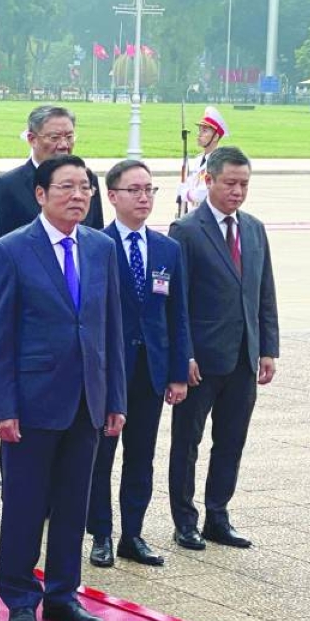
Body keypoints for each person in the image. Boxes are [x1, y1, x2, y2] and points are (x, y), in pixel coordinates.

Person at [0, 154, 126, 621]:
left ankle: (64, 595)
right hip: (32, 401)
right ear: (41, 195)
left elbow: (110, 326)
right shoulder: (10, 250)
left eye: (84, 188)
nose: (78, 196)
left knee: (73, 504)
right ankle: (21, 596)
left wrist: (115, 399)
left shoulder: (100, 248)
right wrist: (3, 406)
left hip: (87, 398)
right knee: (25, 505)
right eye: (66, 187)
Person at [167, 147, 279, 551]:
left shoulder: (253, 228)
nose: (237, 192)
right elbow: (176, 300)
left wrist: (268, 347)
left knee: (231, 441)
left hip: (244, 355)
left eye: (244, 184)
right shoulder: (186, 231)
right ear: (208, 181)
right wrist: (185, 354)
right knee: (188, 442)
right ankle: (185, 520)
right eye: (230, 183)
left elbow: (264, 292)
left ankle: (218, 514)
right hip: (203, 359)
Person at [87, 160, 191, 569]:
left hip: (150, 370)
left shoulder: (168, 249)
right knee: (101, 457)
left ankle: (133, 533)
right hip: (109, 372)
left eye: (149, 189)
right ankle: (101, 534)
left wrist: (178, 372)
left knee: (140, 456)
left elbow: (176, 314)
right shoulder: (95, 245)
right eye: (134, 190)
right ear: (112, 196)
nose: (144, 197)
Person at [0, 105, 104, 236]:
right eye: (55, 138)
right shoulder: (5, 186)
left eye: (69, 137)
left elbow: (96, 235)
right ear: (32, 139)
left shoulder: (88, 180)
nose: (64, 145)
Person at [178, 107, 226, 211]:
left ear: (216, 136)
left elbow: (202, 193)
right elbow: (189, 182)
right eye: (199, 130)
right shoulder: (198, 159)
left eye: (204, 131)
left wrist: (185, 193)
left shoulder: (218, 162)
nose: (199, 134)